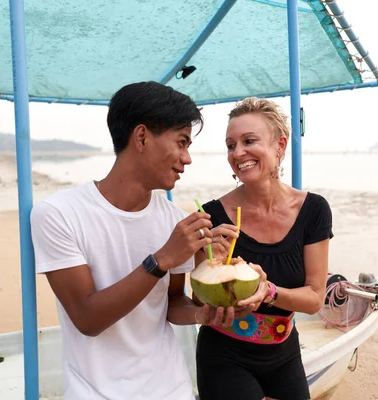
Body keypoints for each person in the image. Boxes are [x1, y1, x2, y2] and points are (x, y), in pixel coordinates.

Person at [30, 82, 267, 400]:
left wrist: (205, 313)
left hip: (171, 388)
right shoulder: (58, 214)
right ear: (141, 137)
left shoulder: (172, 220)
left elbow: (171, 304)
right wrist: (161, 260)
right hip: (94, 392)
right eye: (181, 143)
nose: (188, 158)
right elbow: (87, 319)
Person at [194, 98, 334, 400]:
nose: (237, 153)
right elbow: (199, 302)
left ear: (280, 146)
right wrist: (213, 265)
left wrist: (268, 290)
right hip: (223, 355)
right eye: (231, 145)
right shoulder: (212, 216)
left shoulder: (314, 210)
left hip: (284, 351)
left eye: (249, 141)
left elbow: (313, 299)